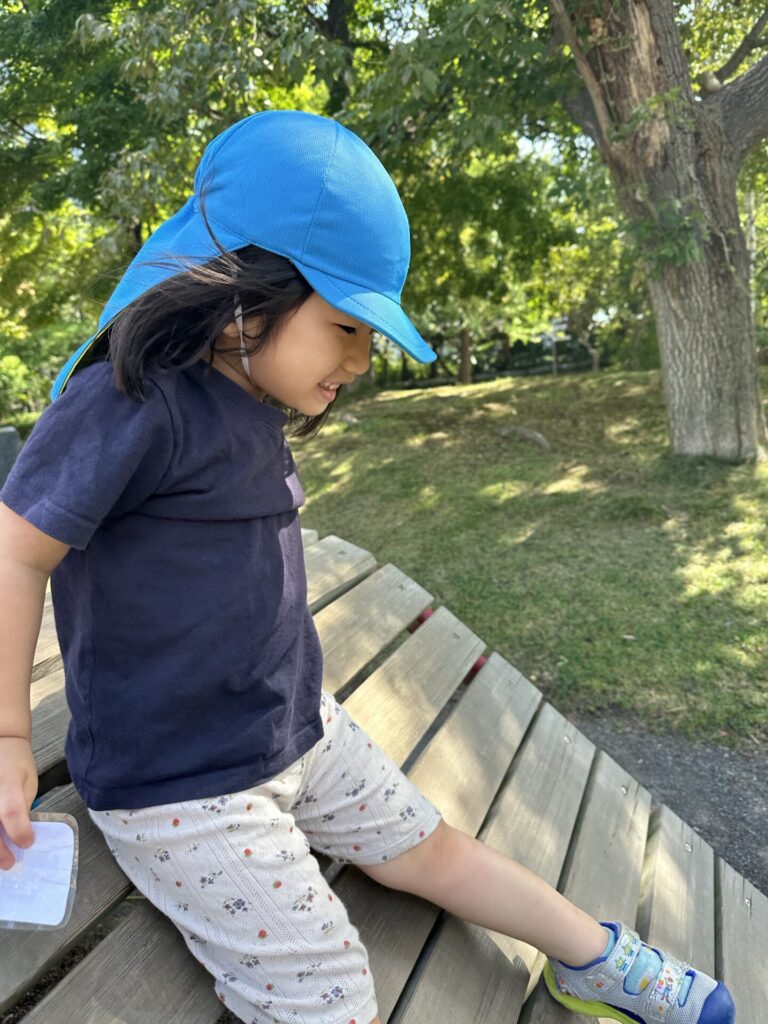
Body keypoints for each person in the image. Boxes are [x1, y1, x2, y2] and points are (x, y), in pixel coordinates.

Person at [0, 110, 734, 1024]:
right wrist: (10, 737)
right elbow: (16, 550)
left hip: (294, 725)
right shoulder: (129, 399)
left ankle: (592, 954)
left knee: (431, 850)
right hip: (182, 784)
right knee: (333, 999)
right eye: (345, 325)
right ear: (244, 292)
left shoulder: (249, 390)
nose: (361, 360)